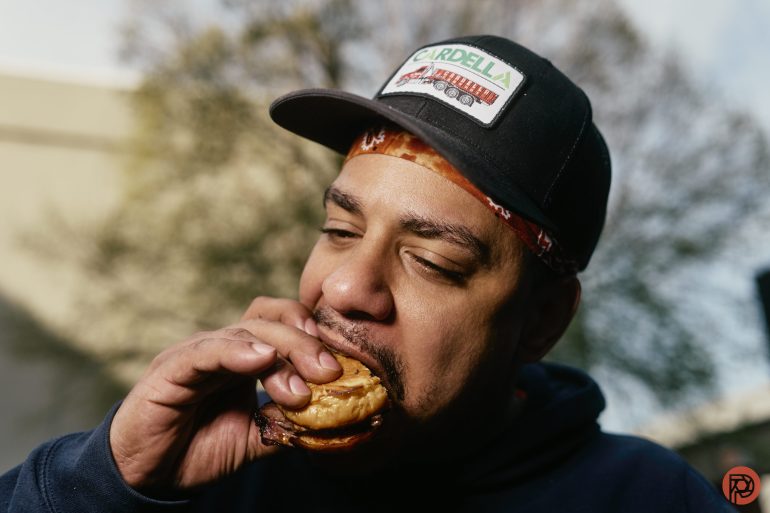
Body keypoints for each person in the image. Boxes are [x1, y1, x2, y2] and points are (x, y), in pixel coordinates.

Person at [0, 35, 735, 512]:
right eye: (339, 230)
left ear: (540, 321)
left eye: (433, 260)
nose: (346, 287)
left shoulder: (651, 497)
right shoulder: (198, 475)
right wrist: (104, 479)